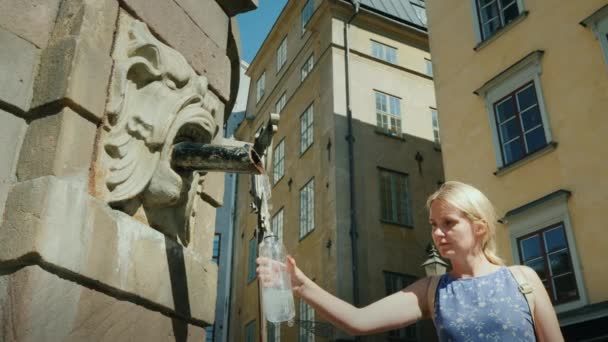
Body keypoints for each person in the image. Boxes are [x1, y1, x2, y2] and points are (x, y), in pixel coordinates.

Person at [257, 181, 564, 341]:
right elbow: (358, 321)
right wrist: (301, 285)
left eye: (449, 223)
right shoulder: (433, 291)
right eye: (433, 225)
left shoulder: (522, 279)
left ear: (479, 226)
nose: (438, 233)